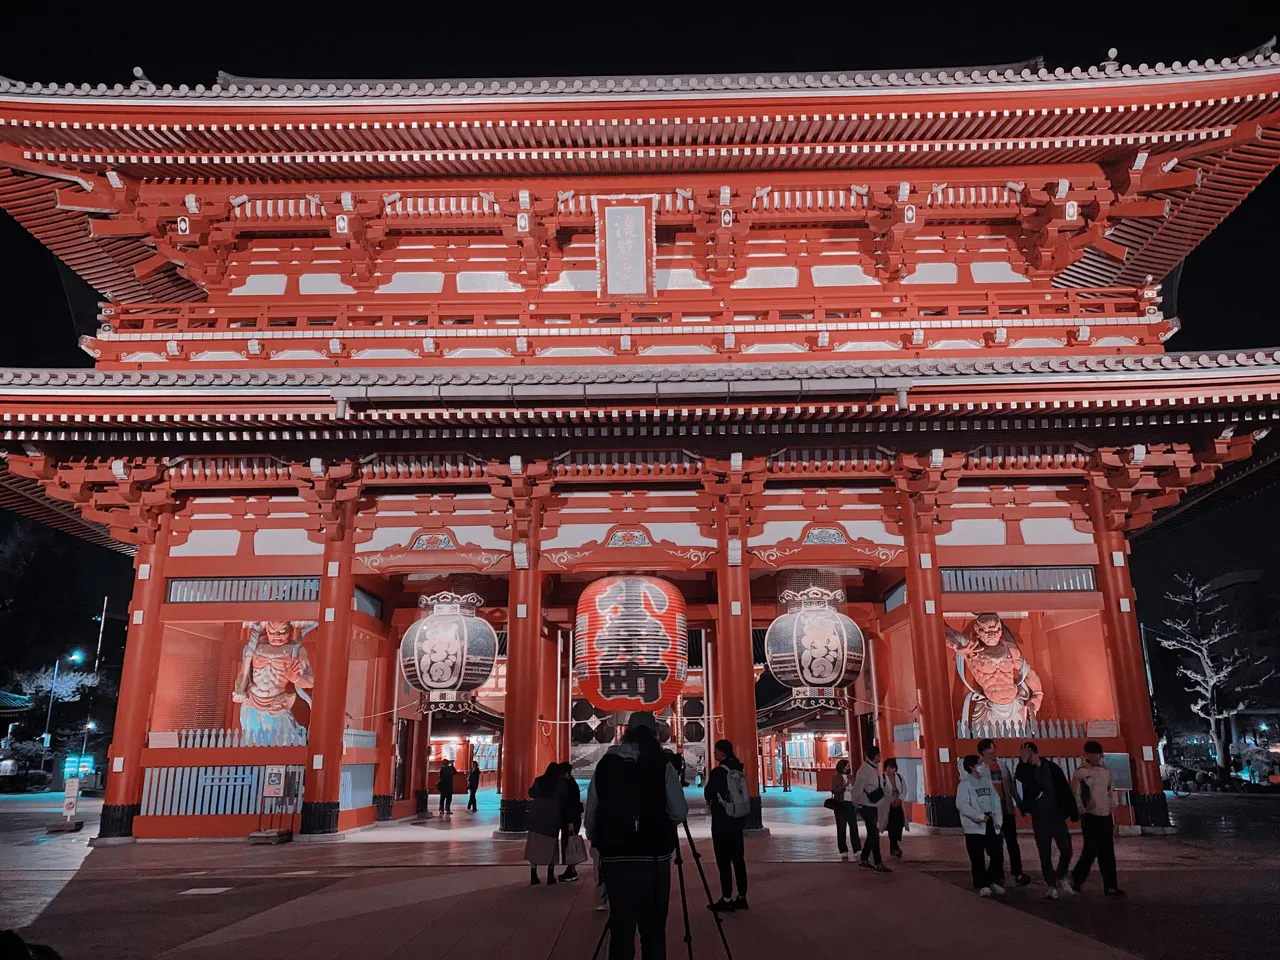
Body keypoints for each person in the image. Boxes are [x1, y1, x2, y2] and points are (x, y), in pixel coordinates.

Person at [586, 711, 689, 960]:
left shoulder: (606, 764)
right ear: (654, 733)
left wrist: (597, 839)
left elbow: (591, 811)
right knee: (653, 930)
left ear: (626, 732)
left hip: (615, 858)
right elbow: (679, 811)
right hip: (654, 858)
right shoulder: (661, 763)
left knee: (621, 927)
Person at [1015, 741, 1078, 899]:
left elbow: (1064, 788)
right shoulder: (1026, 770)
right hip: (1039, 817)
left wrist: (1072, 811)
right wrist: (1023, 762)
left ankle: (1061, 875)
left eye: (1026, 753)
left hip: (1056, 815)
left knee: (1066, 849)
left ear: (1033, 752)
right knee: (1044, 852)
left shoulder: (1052, 768)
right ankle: (1051, 884)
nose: (1024, 756)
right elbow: (1020, 777)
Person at [1070, 741, 1124, 896]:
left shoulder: (1105, 772)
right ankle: (1077, 879)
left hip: (1105, 816)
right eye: (1093, 753)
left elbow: (1110, 791)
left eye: (1098, 753)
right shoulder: (1080, 772)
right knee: (1090, 850)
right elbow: (1076, 794)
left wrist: (1112, 809)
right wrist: (1082, 811)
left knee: (1107, 851)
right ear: (1086, 754)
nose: (1096, 756)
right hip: (1090, 817)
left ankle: (1111, 886)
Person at [977, 738, 1031, 885]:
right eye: (990, 747)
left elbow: (1011, 787)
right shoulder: (979, 771)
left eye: (994, 746)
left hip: (1006, 810)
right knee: (995, 845)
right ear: (983, 751)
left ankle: (1017, 872)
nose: (993, 749)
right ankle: (997, 873)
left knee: (1012, 842)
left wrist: (1019, 804)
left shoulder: (1002, 766)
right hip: (992, 814)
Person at [704, 739, 749, 912]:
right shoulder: (739, 769)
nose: (714, 753)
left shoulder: (718, 773)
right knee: (738, 859)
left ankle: (727, 898)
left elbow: (708, 793)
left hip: (722, 821)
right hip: (738, 820)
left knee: (723, 860)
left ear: (722, 752)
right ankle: (742, 897)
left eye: (716, 751)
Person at [956, 754, 1007, 897]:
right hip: (974, 825)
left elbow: (995, 800)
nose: (983, 766)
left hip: (990, 819)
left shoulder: (987, 781)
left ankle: (992, 880)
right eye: (979, 764)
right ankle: (982, 884)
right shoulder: (965, 785)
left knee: (996, 852)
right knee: (977, 856)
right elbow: (962, 804)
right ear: (972, 767)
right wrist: (978, 817)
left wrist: (997, 818)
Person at [526, 762, 568, 886]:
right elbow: (564, 800)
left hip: (536, 816)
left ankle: (534, 875)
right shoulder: (561, 784)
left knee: (534, 846)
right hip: (552, 817)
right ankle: (550, 875)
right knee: (552, 846)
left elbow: (531, 793)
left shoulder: (539, 780)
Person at [853, 745, 891, 872]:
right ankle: (877, 861)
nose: (880, 757)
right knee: (874, 834)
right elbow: (857, 788)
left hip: (873, 805)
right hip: (866, 805)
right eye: (879, 755)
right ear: (875, 756)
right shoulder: (865, 770)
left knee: (873, 834)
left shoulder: (873, 768)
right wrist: (856, 802)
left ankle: (866, 859)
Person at [559, 761, 584, 882]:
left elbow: (572, 805)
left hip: (571, 819)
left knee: (570, 844)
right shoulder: (569, 783)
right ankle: (570, 869)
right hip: (571, 819)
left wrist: (570, 822)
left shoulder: (570, 786)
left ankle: (572, 870)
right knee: (568, 844)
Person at [879, 757, 907, 859]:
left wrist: (899, 799)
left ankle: (895, 844)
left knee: (899, 824)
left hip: (898, 804)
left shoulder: (899, 777)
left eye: (893, 768)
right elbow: (881, 792)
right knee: (891, 825)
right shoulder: (882, 778)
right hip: (888, 806)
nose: (891, 770)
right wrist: (890, 800)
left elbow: (904, 789)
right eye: (889, 768)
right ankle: (894, 846)